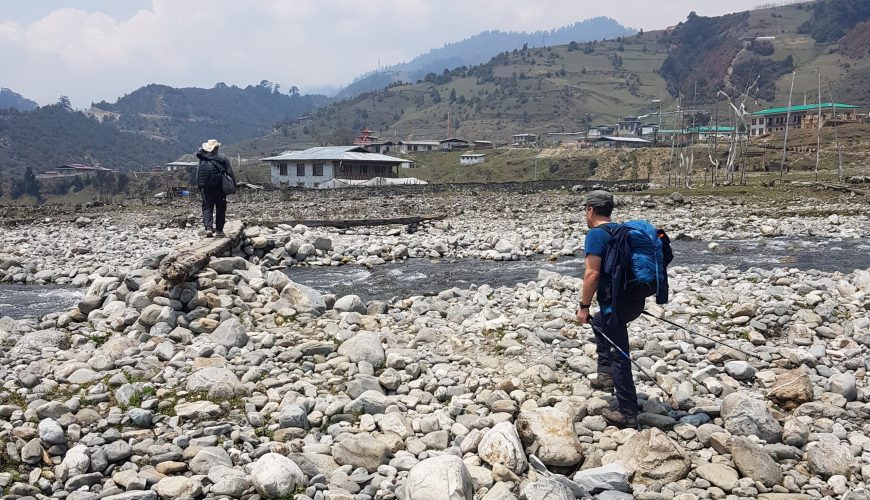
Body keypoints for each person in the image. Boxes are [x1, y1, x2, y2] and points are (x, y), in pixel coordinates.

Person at [576, 190, 645, 428]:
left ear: (590, 210)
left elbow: (592, 274)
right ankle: (606, 377)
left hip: (615, 306)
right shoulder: (622, 231)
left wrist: (583, 306)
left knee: (619, 352)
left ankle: (627, 410)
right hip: (633, 300)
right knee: (599, 322)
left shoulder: (596, 234)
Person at [196, 139, 235, 237]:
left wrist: (200, 186)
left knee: (207, 206)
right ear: (217, 148)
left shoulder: (202, 158)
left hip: (205, 187)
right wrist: (233, 184)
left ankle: (208, 228)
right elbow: (230, 172)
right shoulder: (223, 158)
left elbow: (198, 174)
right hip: (219, 187)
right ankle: (219, 230)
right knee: (220, 207)